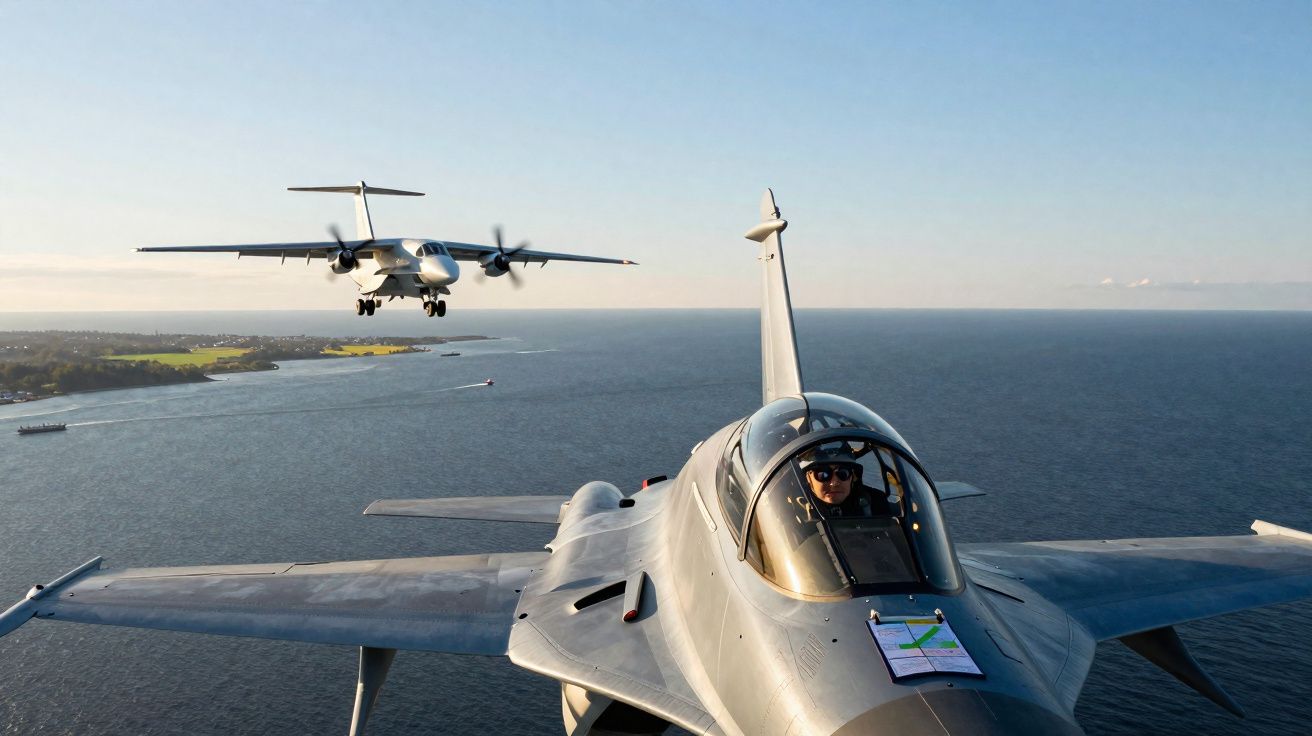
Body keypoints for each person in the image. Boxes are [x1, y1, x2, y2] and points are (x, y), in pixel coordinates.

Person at [798, 446, 877, 518]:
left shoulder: (877, 503)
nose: (834, 483)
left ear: (853, 476)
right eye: (823, 474)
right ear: (808, 478)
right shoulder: (791, 513)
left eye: (843, 473)